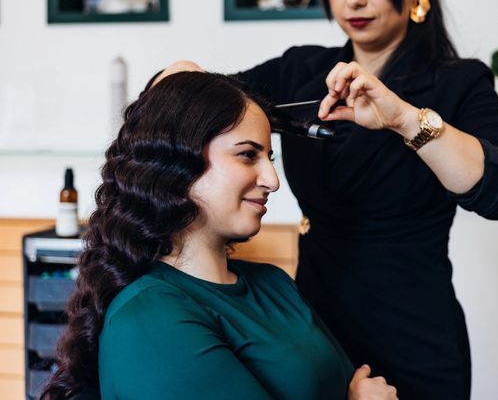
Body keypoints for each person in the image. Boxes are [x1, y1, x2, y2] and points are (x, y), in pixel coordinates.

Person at [160, 0, 498, 399]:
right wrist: (177, 75)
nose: (353, 0)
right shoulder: (302, 71)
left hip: (415, 337)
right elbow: (204, 102)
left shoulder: (456, 83)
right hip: (313, 330)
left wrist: (404, 119)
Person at [40, 72, 398, 400]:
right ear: (177, 161)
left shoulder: (273, 285)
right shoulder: (150, 317)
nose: (272, 180)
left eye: (269, 157)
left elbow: (354, 380)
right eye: (247, 155)